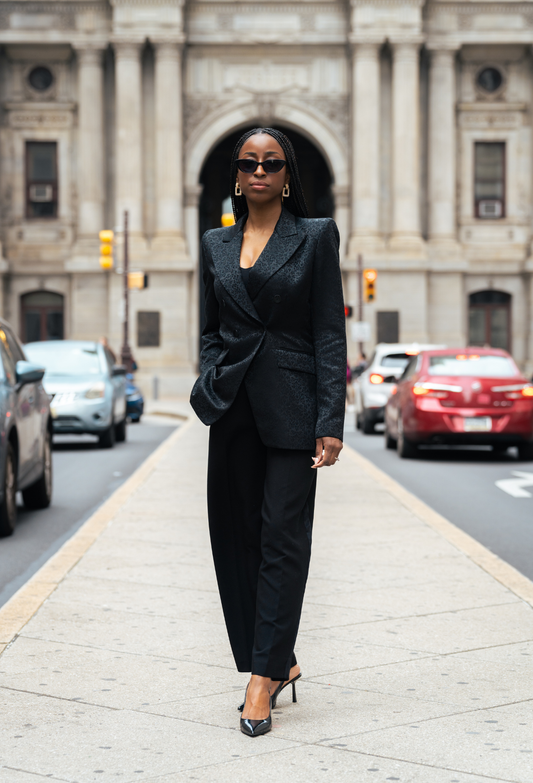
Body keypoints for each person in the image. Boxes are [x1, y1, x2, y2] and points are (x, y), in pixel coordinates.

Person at [190, 127, 346, 737]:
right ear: (236, 175)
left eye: (272, 163)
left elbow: (328, 331)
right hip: (232, 409)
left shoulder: (316, 236)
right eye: (249, 162)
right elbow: (211, 329)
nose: (260, 171)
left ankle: (262, 678)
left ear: (287, 177)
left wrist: (329, 421)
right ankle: (279, 658)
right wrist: (210, 378)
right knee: (238, 540)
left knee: (282, 538)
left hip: (293, 409)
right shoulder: (215, 243)